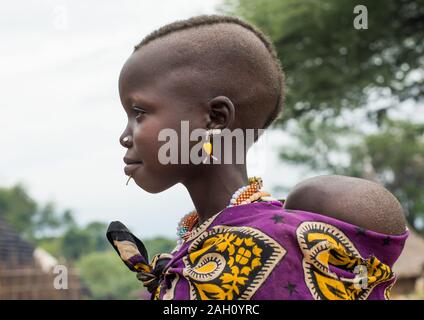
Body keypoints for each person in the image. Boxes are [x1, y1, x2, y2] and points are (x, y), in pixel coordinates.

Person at [106, 15, 408, 300]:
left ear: (214, 118)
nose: (125, 135)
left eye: (139, 113)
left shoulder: (266, 246)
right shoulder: (206, 242)